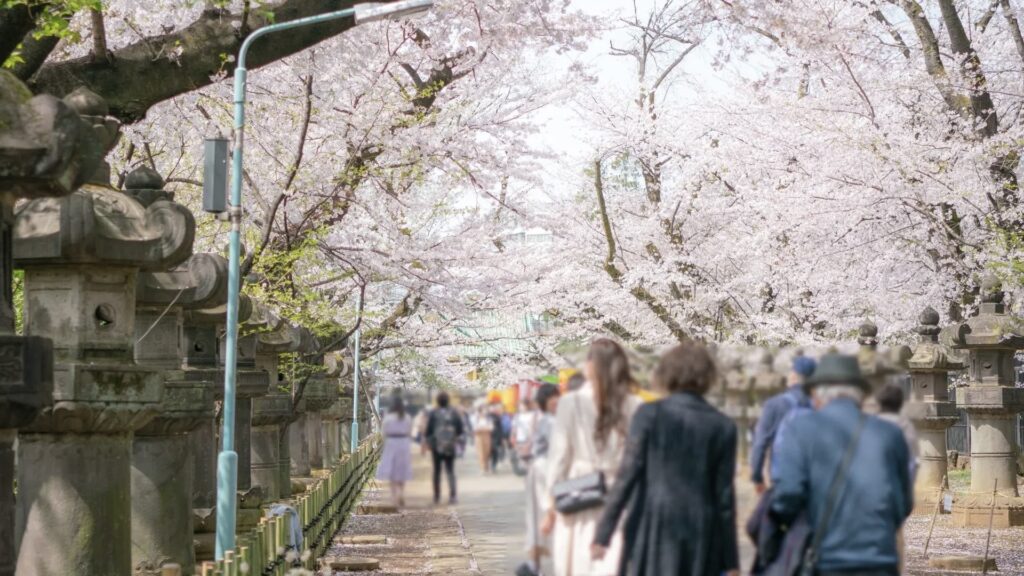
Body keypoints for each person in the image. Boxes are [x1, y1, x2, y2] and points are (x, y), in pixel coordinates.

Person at [592, 341, 740, 576]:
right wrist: (731, 561)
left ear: (667, 373)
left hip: (654, 524)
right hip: (702, 528)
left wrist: (603, 533)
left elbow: (627, 474)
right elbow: (724, 497)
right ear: (707, 377)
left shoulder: (649, 415)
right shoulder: (723, 426)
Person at [770, 353, 912, 576]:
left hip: (826, 559)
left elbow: (787, 496)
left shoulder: (800, 429)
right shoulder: (890, 434)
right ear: (861, 395)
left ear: (817, 393)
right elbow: (903, 503)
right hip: (879, 560)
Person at [542, 338, 643, 576]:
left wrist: (550, 505)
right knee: (613, 561)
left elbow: (559, 458)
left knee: (579, 561)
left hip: (579, 490)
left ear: (590, 366)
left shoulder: (570, 403)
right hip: (621, 493)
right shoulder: (636, 405)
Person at [749, 355, 816, 494]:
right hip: (813, 481)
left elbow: (760, 443)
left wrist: (757, 477)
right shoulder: (819, 406)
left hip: (781, 478)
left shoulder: (775, 404)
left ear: (793, 376)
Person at [521, 384, 561, 576]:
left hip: (545, 470)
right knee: (543, 515)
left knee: (541, 516)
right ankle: (535, 563)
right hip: (544, 471)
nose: (556, 401)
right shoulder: (549, 421)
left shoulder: (549, 420)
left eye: (557, 397)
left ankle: (535, 564)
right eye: (552, 398)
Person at [424, 391, 465, 505]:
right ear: (448, 401)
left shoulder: (433, 413)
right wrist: (453, 438)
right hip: (450, 446)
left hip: (437, 446)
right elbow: (460, 429)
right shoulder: (454, 413)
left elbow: (428, 431)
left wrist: (431, 443)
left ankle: (437, 496)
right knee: (450, 471)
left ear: (437, 401)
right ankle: (453, 495)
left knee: (436, 471)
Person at [376, 395, 414, 507]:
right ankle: (401, 493)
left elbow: (383, 433)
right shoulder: (406, 417)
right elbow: (410, 432)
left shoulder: (388, 418)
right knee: (402, 468)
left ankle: (394, 497)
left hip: (392, 442)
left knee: (392, 470)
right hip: (403, 442)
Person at [512, 399, 541, 475]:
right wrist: (513, 436)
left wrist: (532, 436)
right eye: (519, 406)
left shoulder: (532, 415)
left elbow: (535, 426)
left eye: (522, 405)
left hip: (530, 438)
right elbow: (514, 428)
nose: (520, 407)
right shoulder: (517, 416)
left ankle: (531, 470)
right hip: (520, 438)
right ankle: (526, 470)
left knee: (531, 455)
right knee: (522, 455)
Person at [471, 403, 494, 473]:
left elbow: (491, 428)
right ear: (480, 410)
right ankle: (482, 468)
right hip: (478, 437)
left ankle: (486, 466)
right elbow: (475, 429)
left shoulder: (489, 418)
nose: (485, 411)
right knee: (480, 452)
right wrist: (484, 428)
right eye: (484, 410)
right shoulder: (476, 418)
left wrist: (482, 428)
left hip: (487, 436)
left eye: (486, 410)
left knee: (487, 452)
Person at [489, 403, 506, 472]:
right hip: (488, 436)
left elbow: (500, 428)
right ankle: (491, 464)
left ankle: (494, 465)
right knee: (490, 451)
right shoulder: (487, 416)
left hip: (496, 436)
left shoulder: (497, 417)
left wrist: (501, 437)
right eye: (492, 408)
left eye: (494, 408)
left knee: (495, 450)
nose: (493, 409)